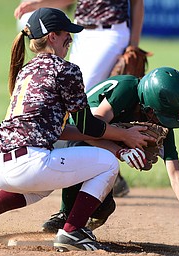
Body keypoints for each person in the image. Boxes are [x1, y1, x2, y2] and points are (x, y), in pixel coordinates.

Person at [0, 7, 155, 252]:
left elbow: (62, 130)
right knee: (107, 164)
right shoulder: (66, 70)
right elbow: (88, 125)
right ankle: (73, 231)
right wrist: (124, 137)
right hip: (29, 163)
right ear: (52, 36)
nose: (70, 39)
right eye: (66, 33)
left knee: (43, 186)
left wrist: (117, 145)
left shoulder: (27, 70)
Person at [40, 67, 179, 252]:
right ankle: (66, 216)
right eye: (162, 116)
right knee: (89, 151)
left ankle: (79, 219)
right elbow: (88, 130)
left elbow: (176, 174)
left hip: (86, 143)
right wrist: (122, 145)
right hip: (62, 138)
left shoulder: (161, 119)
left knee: (103, 209)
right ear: (148, 107)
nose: (164, 123)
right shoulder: (126, 89)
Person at [14, 0, 146, 197]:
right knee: (68, 100)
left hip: (111, 33)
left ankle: (98, 167)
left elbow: (137, 3)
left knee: (81, 102)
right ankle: (94, 164)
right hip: (80, 32)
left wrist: (133, 45)